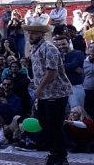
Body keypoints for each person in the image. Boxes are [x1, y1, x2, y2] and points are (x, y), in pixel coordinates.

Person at [24, 23, 72, 165]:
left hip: (55, 92)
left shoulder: (49, 48)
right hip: (45, 93)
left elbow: (51, 72)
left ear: (42, 34)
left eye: (34, 33)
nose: (30, 35)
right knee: (45, 123)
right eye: (29, 33)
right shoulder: (35, 48)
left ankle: (61, 157)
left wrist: (39, 88)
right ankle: (54, 153)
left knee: (55, 125)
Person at [85, 44, 94, 119]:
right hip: (88, 89)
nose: (92, 49)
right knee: (89, 110)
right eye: (91, 47)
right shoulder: (84, 61)